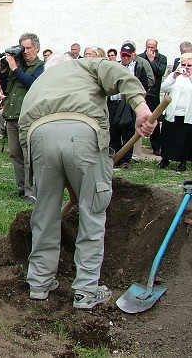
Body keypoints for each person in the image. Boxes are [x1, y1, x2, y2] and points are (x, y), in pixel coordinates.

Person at [18, 53, 155, 309]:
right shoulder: (85, 64)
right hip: (83, 131)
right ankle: (85, 291)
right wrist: (141, 108)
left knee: (45, 212)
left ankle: (39, 282)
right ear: (70, 61)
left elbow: (23, 129)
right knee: (91, 211)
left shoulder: (40, 82)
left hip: (39, 136)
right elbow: (120, 74)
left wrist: (33, 175)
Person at [0, 33, 44, 205]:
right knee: (15, 153)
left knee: (29, 156)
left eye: (28, 48)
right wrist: (4, 71)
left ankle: (32, 191)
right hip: (12, 115)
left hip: (29, 117)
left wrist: (15, 69)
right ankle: (21, 186)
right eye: (22, 48)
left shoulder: (41, 67)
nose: (25, 52)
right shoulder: (17, 66)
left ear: (37, 48)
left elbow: (33, 84)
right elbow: (6, 89)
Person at [108, 42, 149, 168]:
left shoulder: (138, 67)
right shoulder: (115, 67)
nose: (125, 58)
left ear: (133, 55)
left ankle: (125, 159)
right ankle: (114, 157)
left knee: (128, 130)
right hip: (115, 102)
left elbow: (145, 85)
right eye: (123, 55)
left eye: (128, 55)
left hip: (128, 104)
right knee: (113, 130)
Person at [158, 53, 192, 172]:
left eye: (189, 65)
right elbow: (164, 88)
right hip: (172, 113)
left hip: (186, 115)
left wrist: (190, 76)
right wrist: (174, 75)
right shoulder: (175, 76)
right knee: (168, 137)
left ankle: (182, 162)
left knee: (184, 139)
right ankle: (165, 159)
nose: (186, 67)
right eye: (184, 64)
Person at [138, 39, 167, 156]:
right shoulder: (140, 57)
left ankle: (156, 147)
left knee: (153, 119)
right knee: (139, 119)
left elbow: (160, 72)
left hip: (154, 93)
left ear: (156, 47)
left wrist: (151, 60)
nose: (150, 49)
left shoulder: (162, 58)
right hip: (142, 92)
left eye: (152, 47)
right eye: (148, 47)